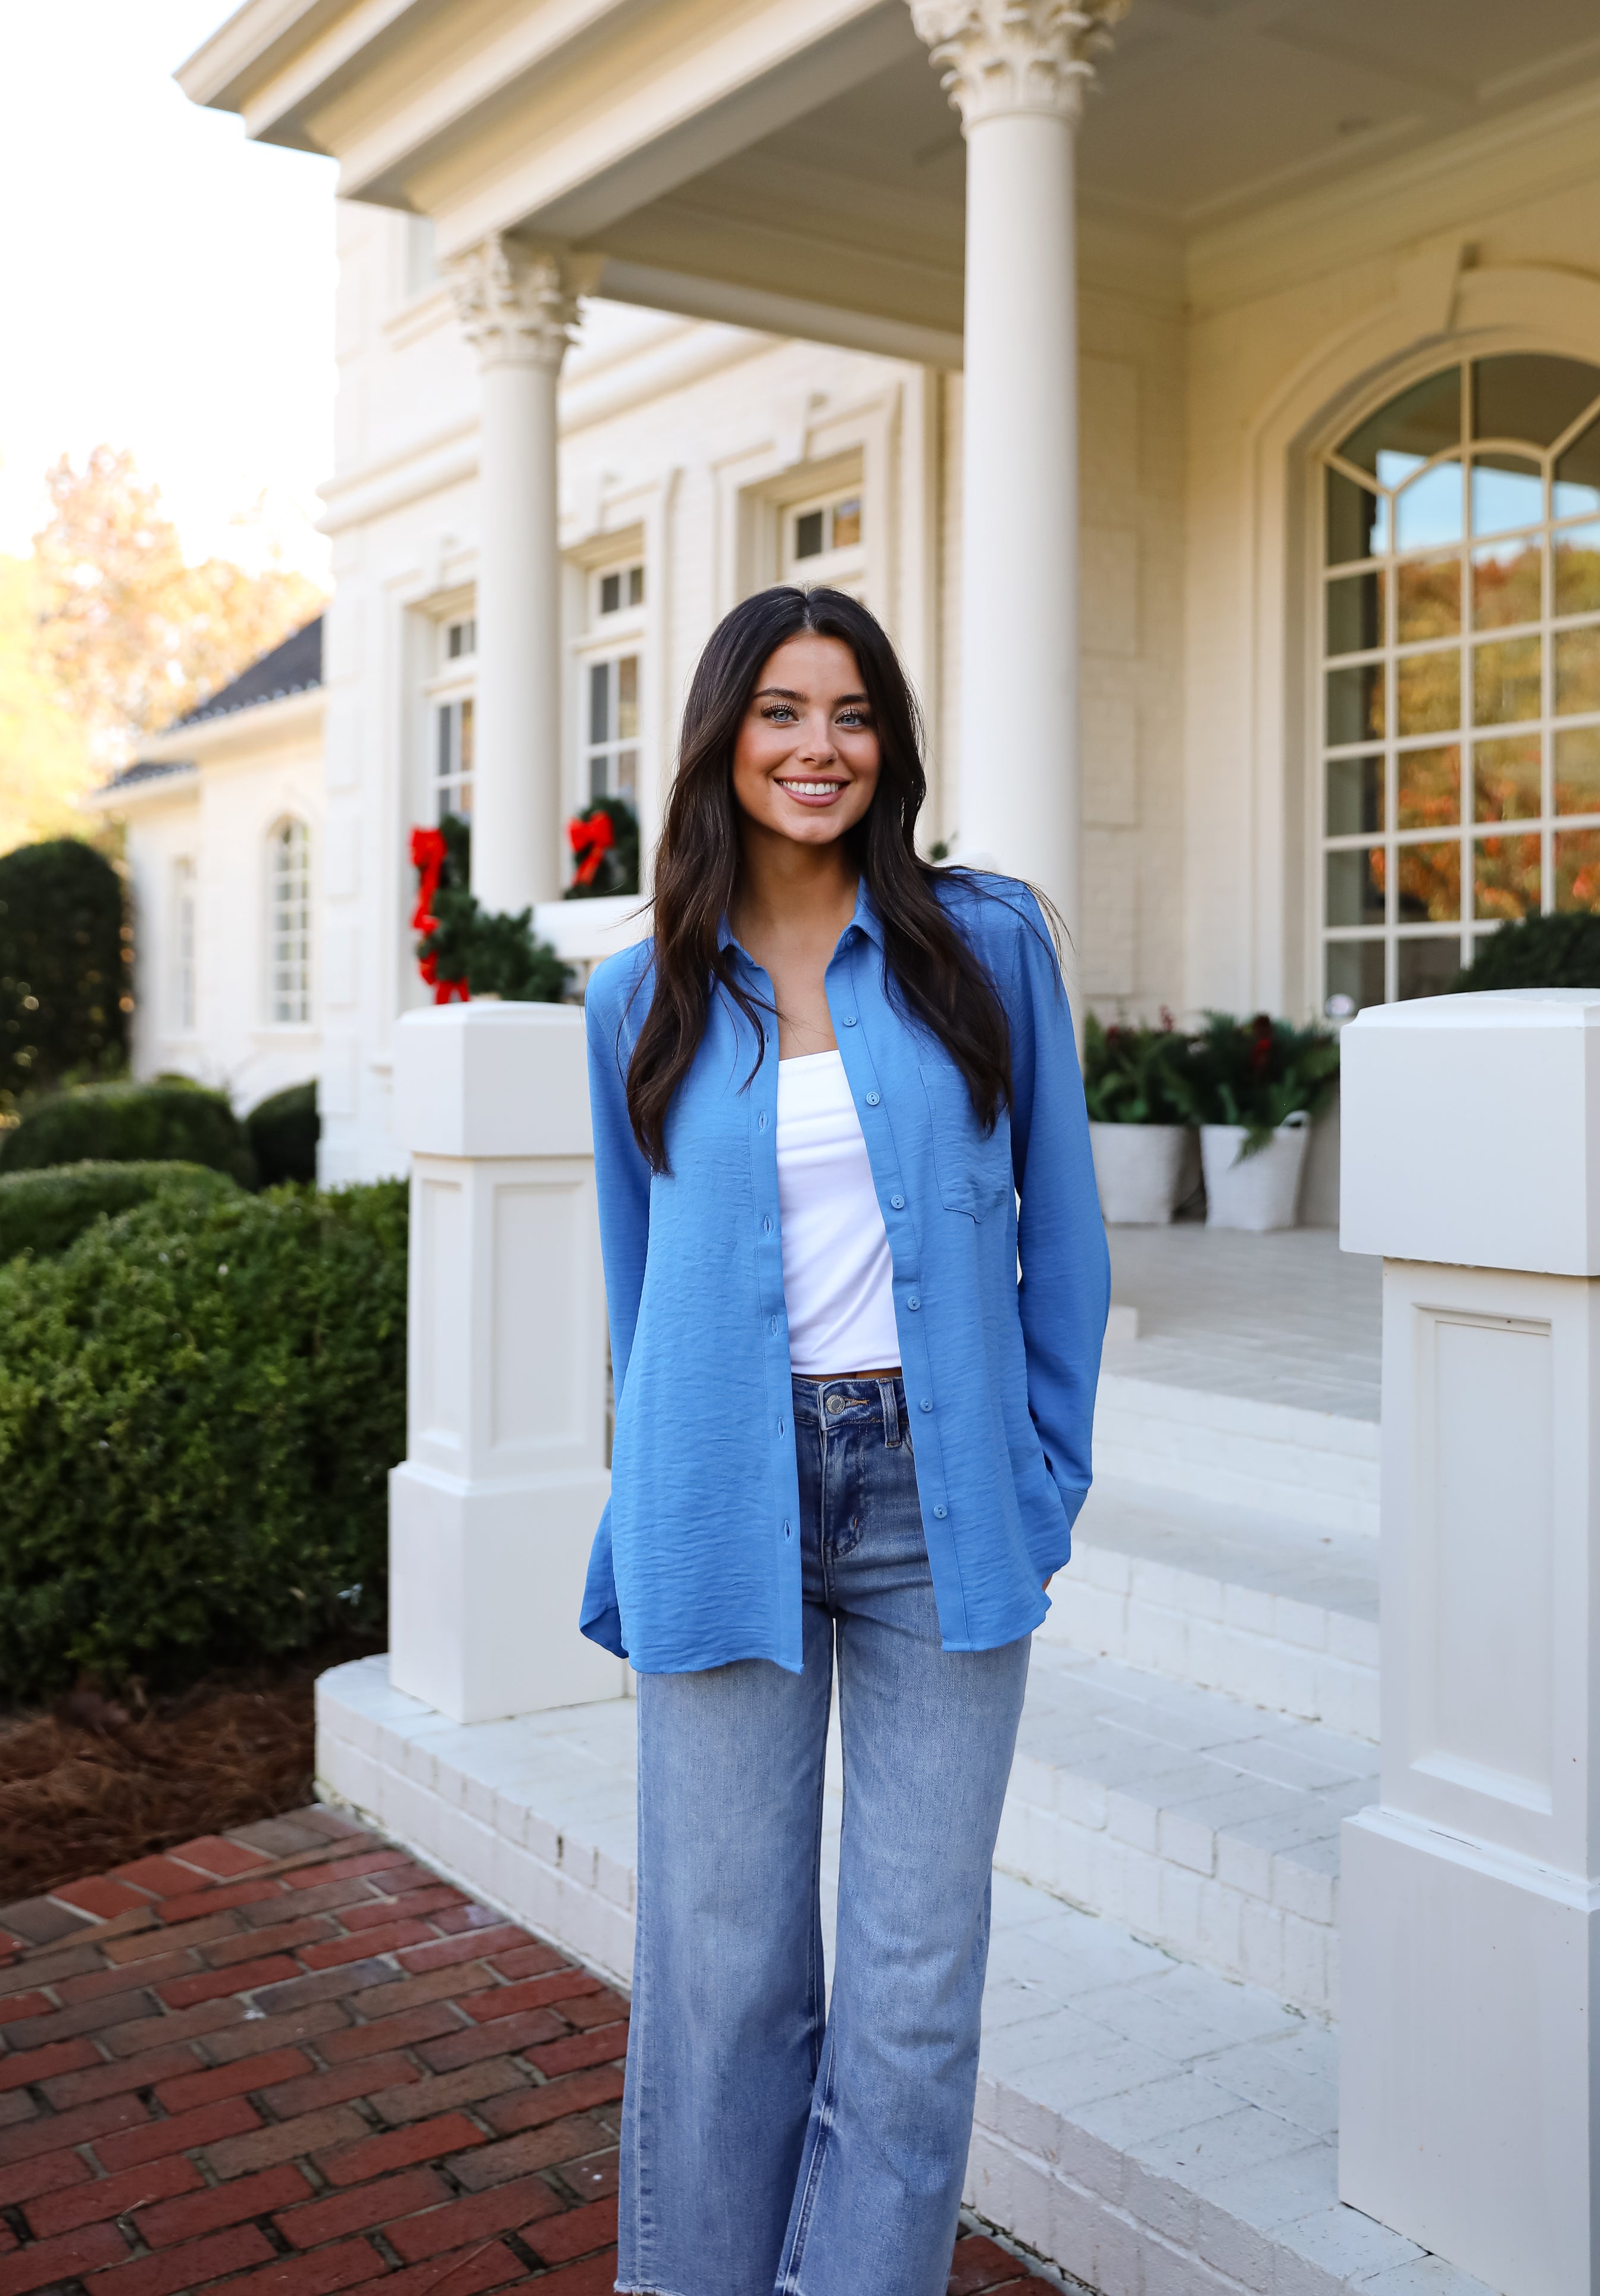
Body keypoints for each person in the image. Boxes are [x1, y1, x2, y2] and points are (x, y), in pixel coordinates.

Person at [580, 583, 1110, 2296]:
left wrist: (1043, 1479)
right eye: (783, 712)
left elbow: (1069, 1244)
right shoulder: (634, 995)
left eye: (853, 713)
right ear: (724, 737)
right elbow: (637, 1281)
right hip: (720, 1492)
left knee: (910, 1989)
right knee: (726, 1978)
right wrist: (639, 1506)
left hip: (938, 1500)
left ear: (891, 743)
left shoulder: (989, 942)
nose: (820, 749)